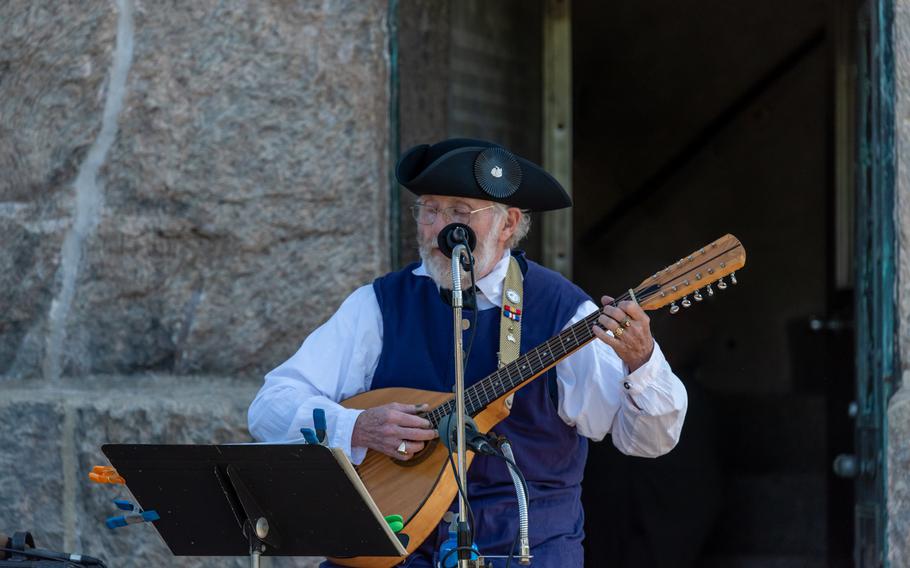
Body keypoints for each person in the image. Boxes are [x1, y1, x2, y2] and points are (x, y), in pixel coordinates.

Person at [248, 138, 688, 567]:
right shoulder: (380, 304)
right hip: (395, 550)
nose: (440, 228)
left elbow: (647, 441)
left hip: (523, 551)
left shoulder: (563, 310)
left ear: (509, 224)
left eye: (459, 212)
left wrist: (641, 360)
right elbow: (270, 406)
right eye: (429, 210)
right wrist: (357, 426)